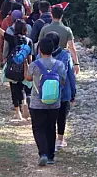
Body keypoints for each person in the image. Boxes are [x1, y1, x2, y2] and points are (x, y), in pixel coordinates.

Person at [25, 37, 66, 166]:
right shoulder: (59, 64)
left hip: (37, 103)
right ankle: (51, 156)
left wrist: (26, 65)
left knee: (38, 128)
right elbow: (63, 81)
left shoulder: (35, 65)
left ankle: (43, 153)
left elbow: (28, 78)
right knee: (51, 127)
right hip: (54, 102)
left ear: (40, 50)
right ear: (53, 49)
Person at [45, 31, 76, 150]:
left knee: (49, 116)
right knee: (62, 116)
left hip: (47, 93)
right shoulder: (65, 55)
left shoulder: (41, 56)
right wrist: (73, 91)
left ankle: (49, 139)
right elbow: (71, 75)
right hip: (63, 92)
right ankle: (60, 139)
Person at [2, 20, 32, 120]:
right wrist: (29, 68)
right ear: (25, 29)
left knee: (14, 89)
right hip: (23, 67)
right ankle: (24, 102)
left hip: (12, 68)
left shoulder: (11, 38)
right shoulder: (28, 41)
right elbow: (30, 58)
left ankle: (18, 112)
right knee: (23, 87)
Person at [40, 6, 80, 74]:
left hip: (47, 59)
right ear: (62, 16)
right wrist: (76, 64)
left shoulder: (44, 29)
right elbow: (71, 48)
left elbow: (40, 45)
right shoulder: (67, 30)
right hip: (62, 59)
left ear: (51, 15)